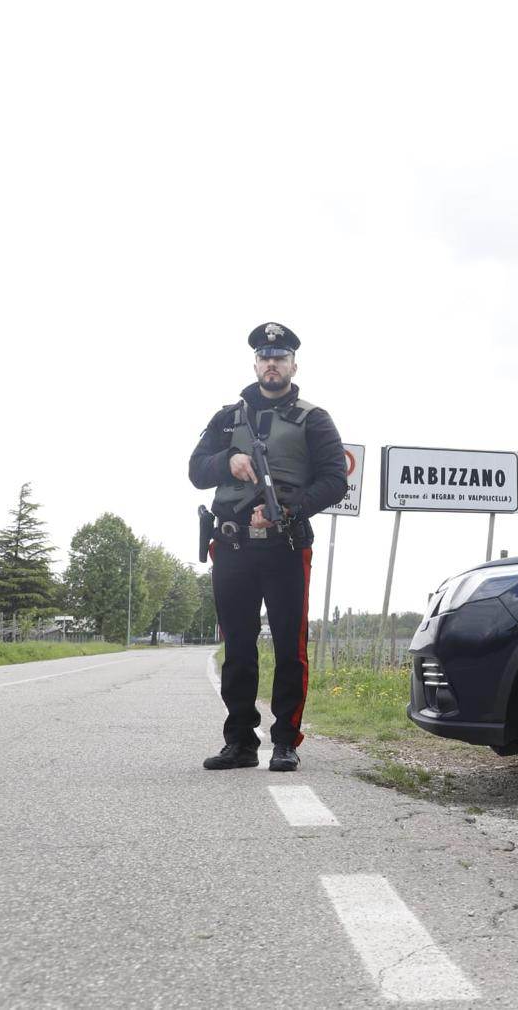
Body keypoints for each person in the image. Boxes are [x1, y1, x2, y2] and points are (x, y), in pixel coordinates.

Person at [189, 323, 347, 772]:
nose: (271, 363)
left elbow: (335, 480)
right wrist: (228, 460)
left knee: (289, 648)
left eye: (280, 357)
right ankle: (240, 741)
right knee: (238, 646)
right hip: (233, 547)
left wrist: (289, 510)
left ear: (294, 365)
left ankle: (285, 741)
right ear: (255, 363)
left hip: (285, 546)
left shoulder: (315, 418)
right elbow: (196, 470)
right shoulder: (226, 418)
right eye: (264, 356)